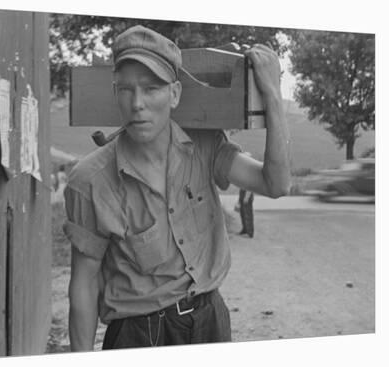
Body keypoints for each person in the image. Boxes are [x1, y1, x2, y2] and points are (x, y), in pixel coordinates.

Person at [63, 25, 290, 351]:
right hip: (140, 336)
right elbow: (84, 284)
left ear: (175, 94)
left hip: (211, 320)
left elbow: (277, 184)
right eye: (126, 89)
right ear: (115, 94)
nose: (137, 103)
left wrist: (272, 95)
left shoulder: (205, 146)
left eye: (152, 88)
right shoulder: (90, 180)